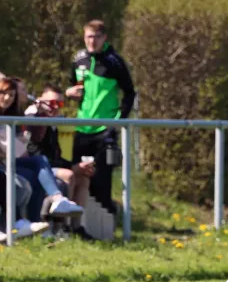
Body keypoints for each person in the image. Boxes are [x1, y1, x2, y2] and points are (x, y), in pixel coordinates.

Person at [66, 19, 136, 216]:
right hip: (82, 126)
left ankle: (107, 221)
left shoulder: (115, 62)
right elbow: (73, 86)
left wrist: (119, 121)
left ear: (104, 38)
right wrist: (70, 92)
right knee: (78, 173)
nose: (92, 42)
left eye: (96, 37)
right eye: (88, 37)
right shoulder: (78, 59)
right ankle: (76, 222)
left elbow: (129, 93)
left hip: (105, 128)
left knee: (101, 177)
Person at [0, 77, 83, 222]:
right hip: (7, 162)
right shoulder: (30, 116)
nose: (8, 98)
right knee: (41, 172)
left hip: (17, 160)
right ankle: (30, 222)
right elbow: (33, 146)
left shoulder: (17, 116)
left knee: (39, 166)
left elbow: (28, 148)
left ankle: (55, 207)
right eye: (4, 93)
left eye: (12, 95)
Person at [25, 84, 95, 239]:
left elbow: (55, 155)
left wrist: (77, 166)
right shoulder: (33, 117)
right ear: (40, 101)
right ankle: (61, 225)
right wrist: (72, 167)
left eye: (59, 104)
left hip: (49, 165)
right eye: (51, 103)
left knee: (83, 177)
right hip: (35, 167)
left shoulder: (52, 122)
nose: (54, 107)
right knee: (69, 174)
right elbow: (35, 153)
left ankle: (76, 227)